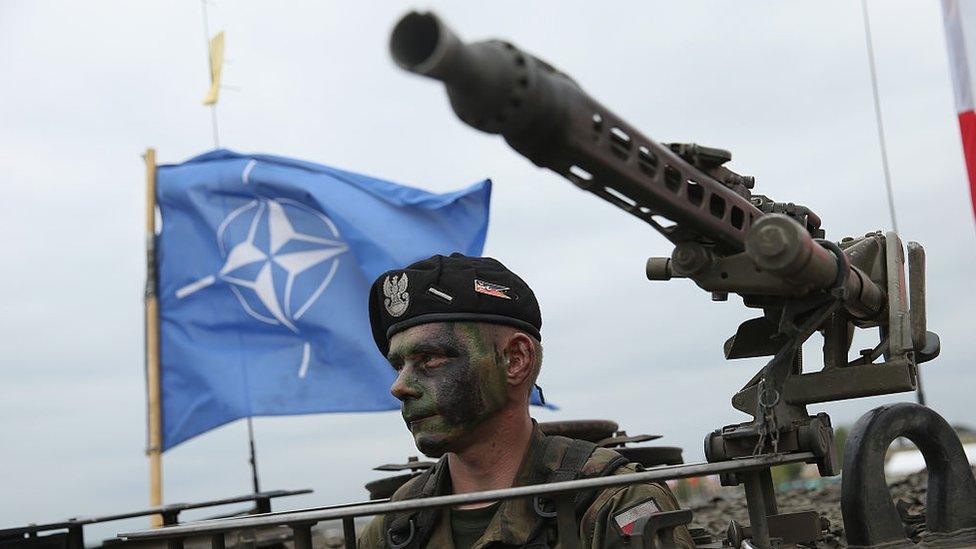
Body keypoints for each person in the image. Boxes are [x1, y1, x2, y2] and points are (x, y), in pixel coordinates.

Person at [357, 253, 695, 548]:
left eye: (430, 358)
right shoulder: (396, 526)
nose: (399, 387)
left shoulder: (611, 502)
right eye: (398, 365)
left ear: (515, 359)